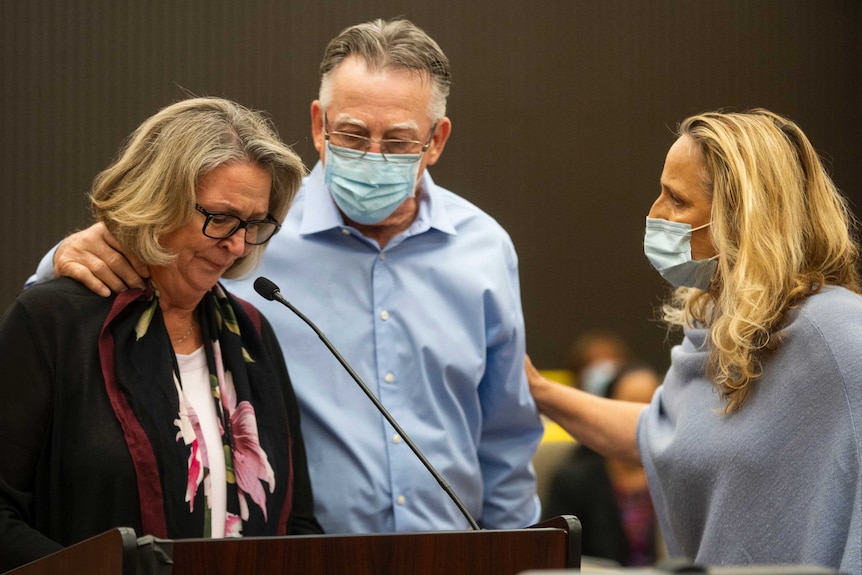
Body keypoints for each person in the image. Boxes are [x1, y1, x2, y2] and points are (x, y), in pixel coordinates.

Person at [25, 18, 543, 534]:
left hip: (454, 557)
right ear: (318, 124)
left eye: (400, 140)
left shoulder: (484, 249)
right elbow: (109, 289)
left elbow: (504, 439)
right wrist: (69, 256)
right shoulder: (251, 231)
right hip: (306, 554)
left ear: (436, 141)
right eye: (353, 133)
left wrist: (521, 556)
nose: (373, 155)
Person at [526, 109, 862, 573]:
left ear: (744, 219)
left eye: (676, 200)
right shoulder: (718, 329)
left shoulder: (838, 334)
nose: (654, 213)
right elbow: (661, 433)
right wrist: (537, 390)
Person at [0, 97, 323, 572]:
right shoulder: (53, 323)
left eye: (253, 224)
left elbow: (298, 522)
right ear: (159, 201)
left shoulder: (252, 333)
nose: (236, 244)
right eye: (220, 218)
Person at [543, 362, 661, 567]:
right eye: (631, 406)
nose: (642, 418)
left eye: (651, 405)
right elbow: (554, 559)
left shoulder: (680, 478)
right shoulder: (573, 482)